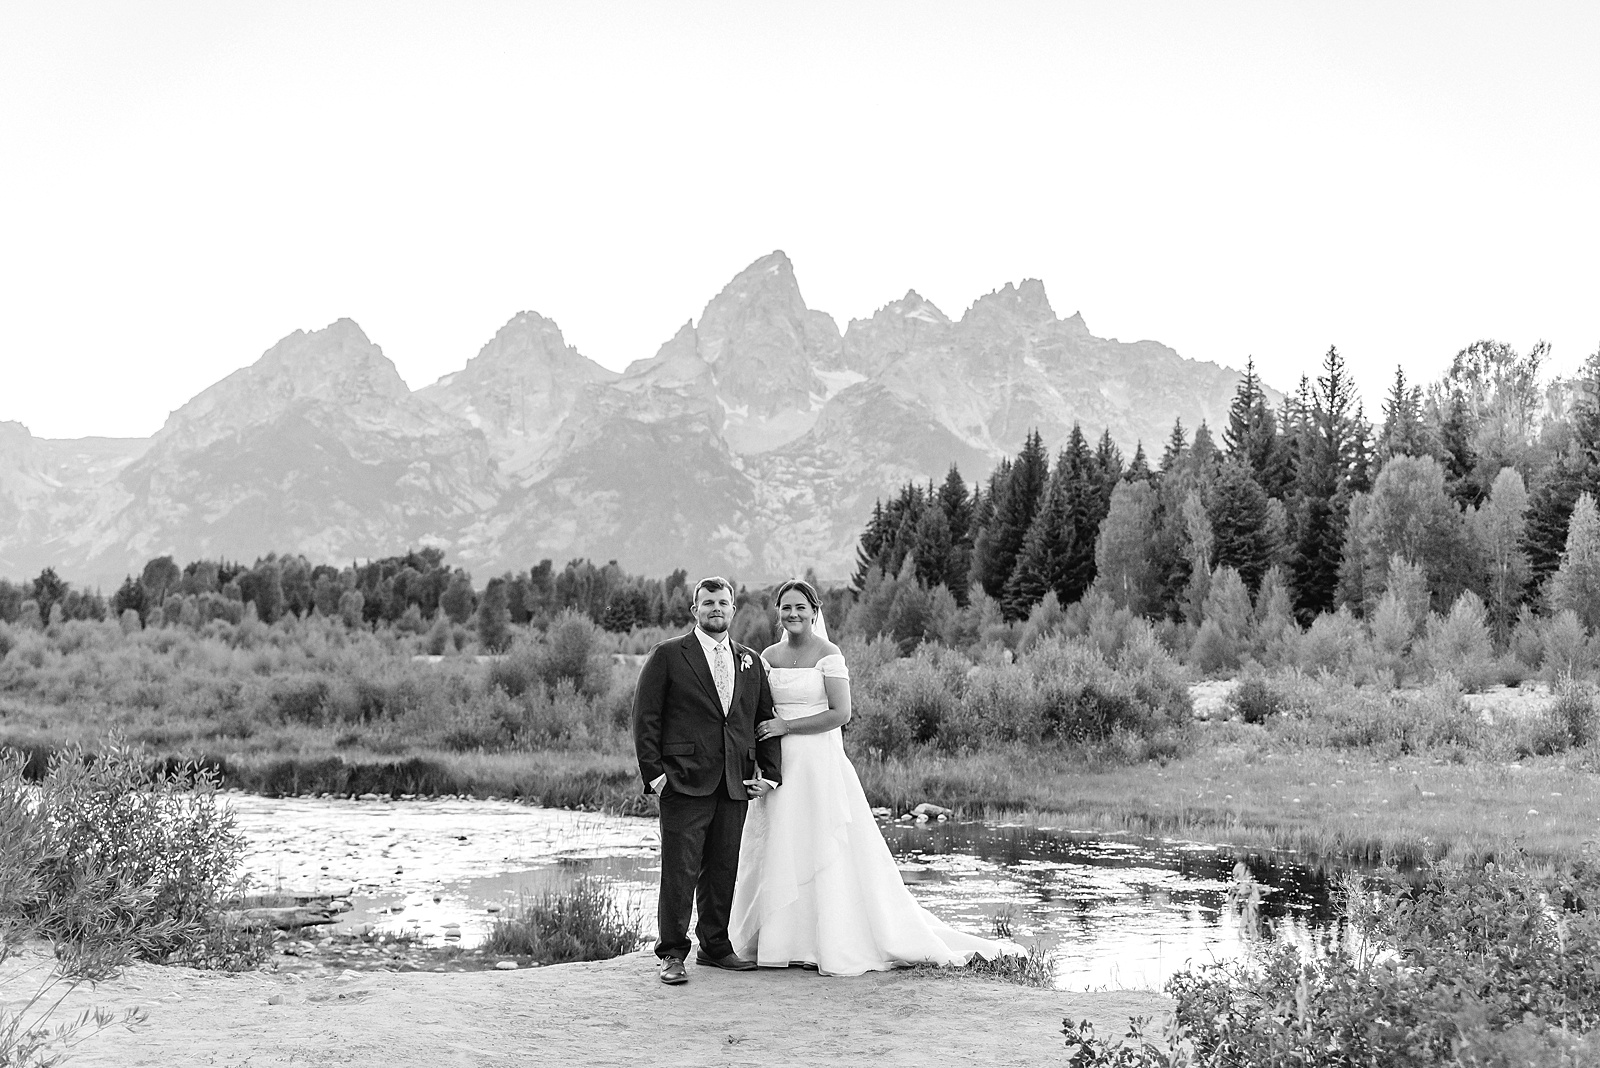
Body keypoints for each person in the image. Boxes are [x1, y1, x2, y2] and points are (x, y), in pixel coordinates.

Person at [727, 578, 1021, 975]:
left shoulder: (829, 654)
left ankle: (826, 942)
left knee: (824, 846)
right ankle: (781, 941)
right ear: (777, 613)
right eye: (786, 608)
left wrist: (787, 728)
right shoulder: (768, 656)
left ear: (815, 612)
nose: (793, 614)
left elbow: (840, 714)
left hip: (819, 764)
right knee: (781, 843)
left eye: (800, 607)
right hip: (780, 768)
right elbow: (761, 712)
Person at [632, 576, 783, 985]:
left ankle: (715, 946)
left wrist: (769, 774)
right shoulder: (667, 655)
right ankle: (671, 954)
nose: (716, 608)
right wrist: (656, 777)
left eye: (723, 602)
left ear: (733, 610)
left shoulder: (750, 660)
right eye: (708, 602)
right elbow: (645, 718)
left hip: (734, 782)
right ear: (694, 610)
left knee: (722, 868)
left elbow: (763, 720)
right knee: (679, 870)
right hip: (683, 781)